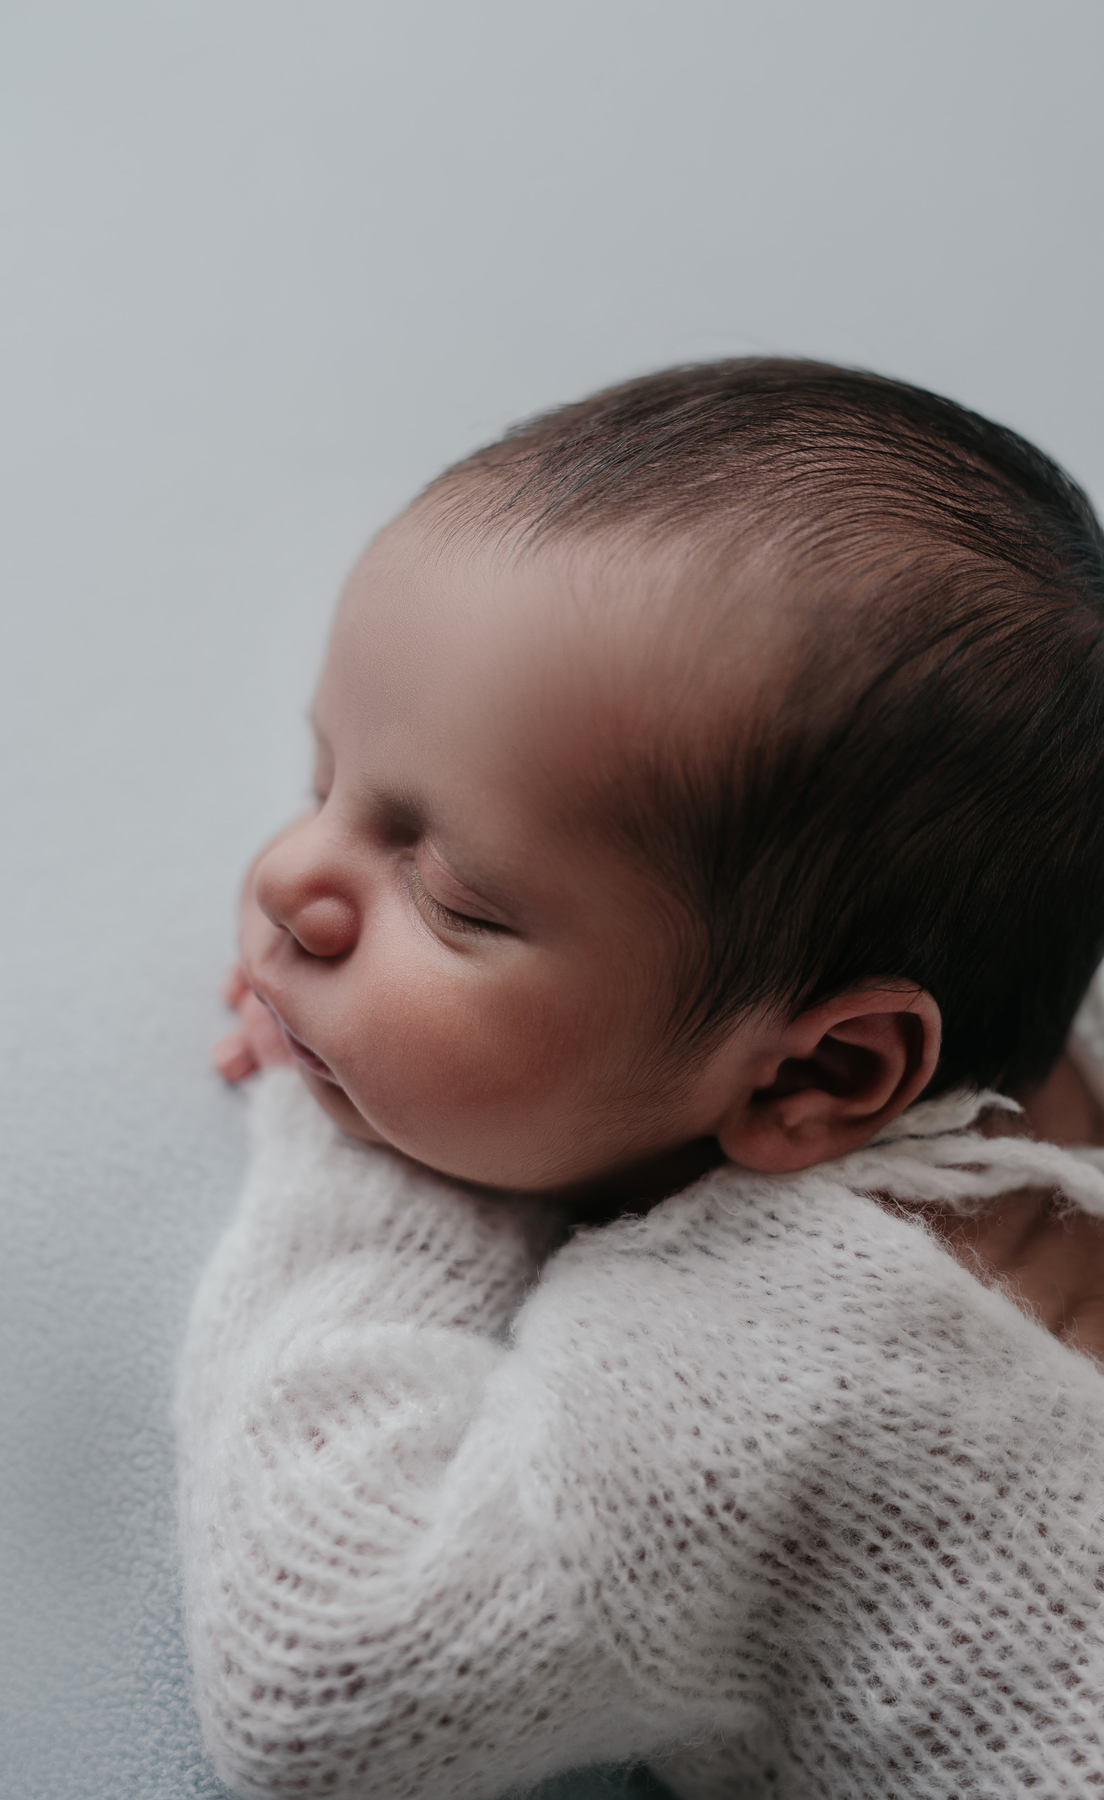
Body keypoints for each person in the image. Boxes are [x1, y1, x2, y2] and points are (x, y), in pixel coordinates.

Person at [177, 361, 1104, 1799]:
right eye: (323, 783)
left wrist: (353, 1145)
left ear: (824, 1071)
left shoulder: (774, 1367)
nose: (292, 881)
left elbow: (325, 1680)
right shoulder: (1034, 999)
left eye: (454, 898)